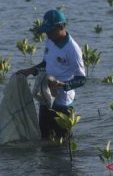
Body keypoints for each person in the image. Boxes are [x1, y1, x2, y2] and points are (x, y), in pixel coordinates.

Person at [17, 9, 86, 139]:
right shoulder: (50, 41)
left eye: (50, 30)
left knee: (64, 144)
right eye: (46, 31)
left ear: (61, 27)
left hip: (63, 104)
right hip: (46, 99)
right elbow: (46, 63)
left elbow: (81, 79)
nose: (47, 34)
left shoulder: (73, 49)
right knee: (44, 139)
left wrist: (61, 84)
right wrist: (30, 71)